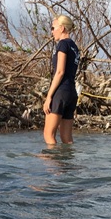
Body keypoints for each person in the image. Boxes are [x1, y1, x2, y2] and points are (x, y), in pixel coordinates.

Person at [43, 15, 80, 145]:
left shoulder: (62, 44)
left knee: (49, 134)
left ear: (62, 28)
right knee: (67, 138)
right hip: (71, 93)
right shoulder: (74, 47)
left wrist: (49, 97)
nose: (52, 31)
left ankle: (53, 165)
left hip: (61, 92)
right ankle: (68, 165)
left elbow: (60, 72)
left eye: (53, 28)